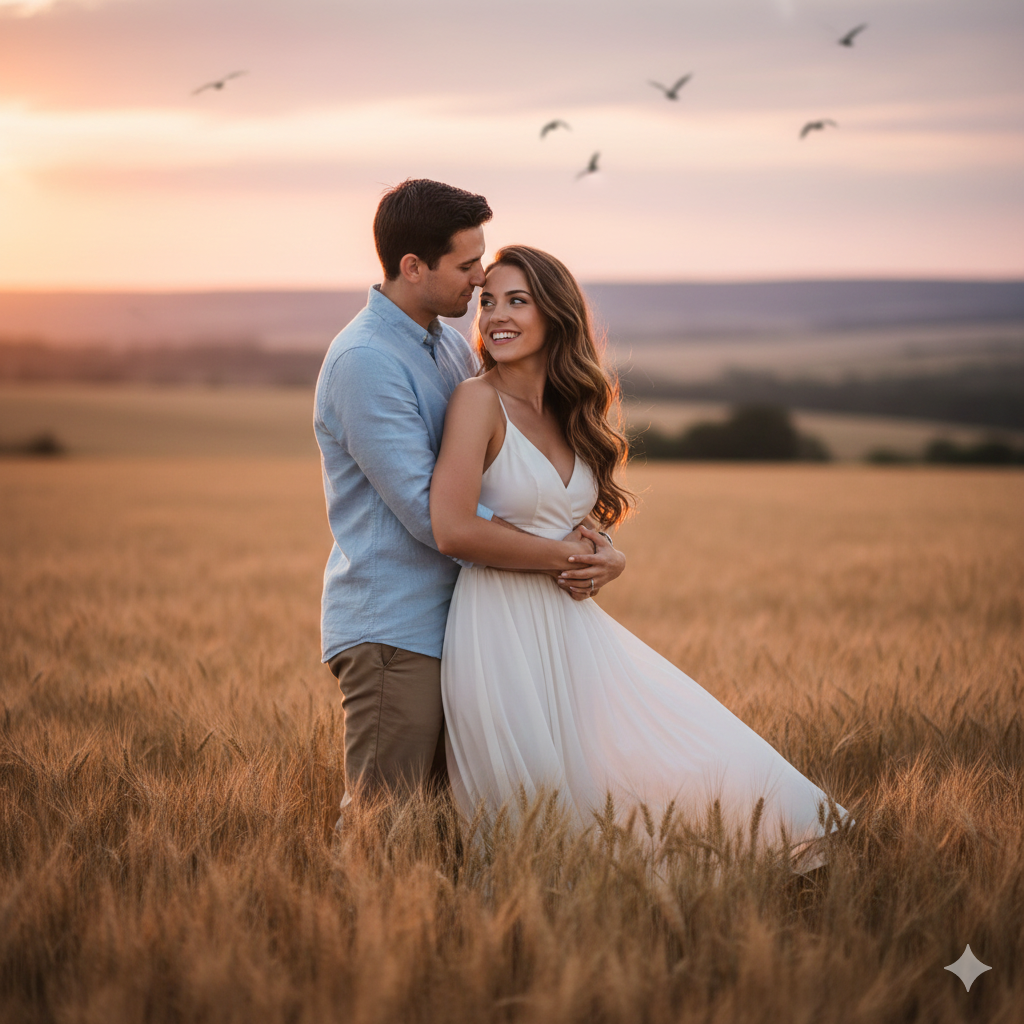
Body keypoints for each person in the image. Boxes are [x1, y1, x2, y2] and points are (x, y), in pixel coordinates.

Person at [430, 245, 851, 872]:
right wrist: (557, 559)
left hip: (572, 630)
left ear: (556, 313)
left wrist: (612, 561)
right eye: (487, 301)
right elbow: (453, 529)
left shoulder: (568, 411)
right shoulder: (476, 401)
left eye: (517, 300)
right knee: (532, 811)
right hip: (499, 631)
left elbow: (572, 527)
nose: (496, 315)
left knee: (660, 758)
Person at [314, 181, 625, 822]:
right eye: (466, 266)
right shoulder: (367, 361)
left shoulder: (448, 344)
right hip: (395, 629)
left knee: (454, 831)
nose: (479, 278)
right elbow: (436, 519)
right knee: (384, 825)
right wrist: (557, 555)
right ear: (412, 267)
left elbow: (502, 472)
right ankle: (352, 925)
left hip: (468, 626)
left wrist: (587, 544)